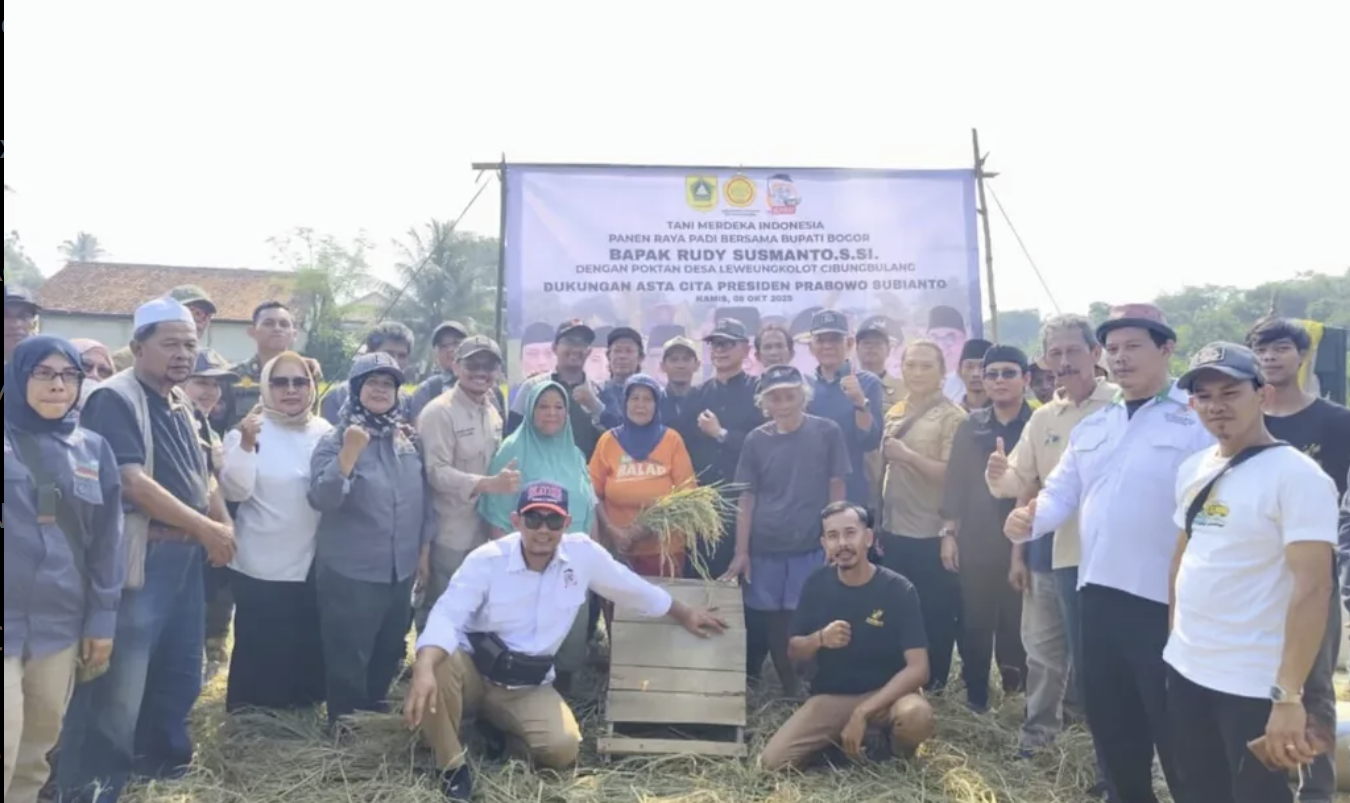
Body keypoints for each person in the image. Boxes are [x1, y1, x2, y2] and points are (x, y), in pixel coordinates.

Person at [1004, 303, 1212, 803]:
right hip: (1096, 593)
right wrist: (1030, 519)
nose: (1120, 358)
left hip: (1166, 600)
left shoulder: (1196, 418)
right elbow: (1061, 491)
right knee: (1113, 725)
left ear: (1166, 348)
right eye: (1113, 349)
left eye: (1133, 346)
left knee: (1178, 729)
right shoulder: (1096, 425)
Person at [404, 481, 728, 802]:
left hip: (526, 686)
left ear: (567, 523)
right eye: (533, 519)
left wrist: (684, 613)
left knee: (562, 748)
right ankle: (451, 767)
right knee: (438, 660)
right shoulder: (487, 559)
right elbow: (447, 614)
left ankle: (496, 733)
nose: (543, 530)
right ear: (517, 521)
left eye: (553, 520)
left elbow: (631, 588)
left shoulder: (582, 555)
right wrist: (424, 666)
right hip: (473, 674)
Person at [56, 298, 236, 803]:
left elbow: (205, 475)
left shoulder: (182, 403)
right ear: (137, 347)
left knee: (179, 672)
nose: (183, 354)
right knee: (118, 685)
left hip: (185, 559)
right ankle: (93, 787)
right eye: (170, 344)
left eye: (190, 345)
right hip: (141, 558)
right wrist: (207, 528)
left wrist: (222, 524)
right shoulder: (114, 398)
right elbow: (131, 482)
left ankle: (160, 769)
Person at [1165, 342, 1338, 802]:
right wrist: (1174, 641)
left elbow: (1314, 589)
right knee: (1198, 790)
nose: (1216, 406)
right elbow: (1183, 556)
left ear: (1262, 395)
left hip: (1254, 683)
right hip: (1188, 670)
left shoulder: (1297, 476)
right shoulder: (1193, 468)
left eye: (1230, 392)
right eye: (1204, 396)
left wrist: (1288, 697)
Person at [985, 314, 1117, 791]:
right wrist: (998, 473)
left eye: (1073, 351)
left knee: (1099, 663)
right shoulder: (1044, 418)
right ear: (1043, 360)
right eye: (1054, 353)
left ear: (1095, 354)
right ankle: (1037, 739)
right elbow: (1018, 482)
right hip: (1049, 552)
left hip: (1107, 560)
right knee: (1042, 654)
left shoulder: (1122, 407)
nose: (1064, 362)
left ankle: (1111, 760)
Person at [4, 337, 125, 803]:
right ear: (18, 377)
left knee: (36, 749)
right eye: (43, 373)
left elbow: (108, 543)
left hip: (60, 626)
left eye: (68, 375)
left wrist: (102, 620)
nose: (57, 385)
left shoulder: (92, 448)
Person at [1249, 317, 1350, 803]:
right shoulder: (1246, 420)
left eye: (1281, 348)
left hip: (1311, 573)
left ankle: (1317, 790)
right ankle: (1265, 783)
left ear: (1302, 355)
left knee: (1314, 686)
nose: (1270, 358)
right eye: (1261, 350)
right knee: (1254, 682)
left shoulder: (1336, 421)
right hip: (1253, 573)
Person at [308, 352, 435, 728]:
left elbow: (423, 500)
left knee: (388, 649)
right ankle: (345, 730)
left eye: (388, 384)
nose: (380, 390)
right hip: (352, 573)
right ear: (355, 389)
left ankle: (374, 722)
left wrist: (423, 552)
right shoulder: (335, 440)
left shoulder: (407, 439)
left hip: (400, 570)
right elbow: (323, 499)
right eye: (372, 383)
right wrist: (349, 454)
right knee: (349, 656)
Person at [760, 502, 935, 770]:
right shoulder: (816, 584)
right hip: (832, 699)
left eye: (850, 533)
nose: (842, 543)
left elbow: (919, 669)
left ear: (868, 538)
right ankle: (847, 745)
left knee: (917, 716)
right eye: (833, 536)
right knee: (772, 763)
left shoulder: (899, 590)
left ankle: (894, 756)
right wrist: (819, 639)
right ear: (824, 544)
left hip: (887, 697)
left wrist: (862, 712)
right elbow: (794, 650)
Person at [218, 352, 331, 712]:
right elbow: (235, 491)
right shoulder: (249, 430)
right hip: (262, 561)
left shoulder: (325, 431)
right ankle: (252, 719)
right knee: (262, 644)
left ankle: (301, 711)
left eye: (300, 382)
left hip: (313, 558)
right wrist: (246, 445)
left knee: (304, 640)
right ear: (266, 387)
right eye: (280, 382)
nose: (291, 390)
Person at [726, 365, 849, 695]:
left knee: (808, 615)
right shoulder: (756, 440)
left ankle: (814, 683)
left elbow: (837, 486)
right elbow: (747, 497)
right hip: (766, 544)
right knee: (775, 619)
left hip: (810, 543)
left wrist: (834, 539)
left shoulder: (827, 432)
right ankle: (790, 687)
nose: (783, 404)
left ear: (803, 397)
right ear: (764, 403)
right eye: (775, 398)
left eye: (790, 396)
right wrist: (741, 551)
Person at [480, 379, 598, 691]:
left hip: (571, 562)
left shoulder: (574, 453)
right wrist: (510, 569)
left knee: (570, 630)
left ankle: (563, 698)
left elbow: (588, 507)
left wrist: (593, 555)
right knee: (529, 636)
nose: (551, 413)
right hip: (529, 562)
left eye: (559, 407)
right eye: (543, 406)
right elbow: (497, 514)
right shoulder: (513, 450)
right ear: (531, 410)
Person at [940, 345, 1032, 712]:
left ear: (1026, 378)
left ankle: (1016, 699)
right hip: (976, 540)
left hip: (1026, 542)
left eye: (1008, 373)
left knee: (1017, 626)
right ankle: (977, 699)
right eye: (992, 374)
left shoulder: (1039, 423)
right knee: (976, 623)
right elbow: (955, 483)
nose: (998, 381)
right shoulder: (971, 425)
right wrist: (949, 534)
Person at [878, 339, 968, 692]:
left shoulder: (953, 417)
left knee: (935, 614)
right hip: (895, 530)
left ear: (942, 372)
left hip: (931, 532)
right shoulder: (895, 411)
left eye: (926, 366)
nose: (916, 372)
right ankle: (902, 682)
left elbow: (953, 477)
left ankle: (935, 686)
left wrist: (907, 456)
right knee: (899, 612)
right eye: (911, 365)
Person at [417, 336, 520, 631]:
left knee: (474, 610)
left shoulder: (492, 410)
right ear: (456, 366)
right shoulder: (439, 412)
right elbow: (435, 472)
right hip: (449, 532)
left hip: (484, 531)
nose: (481, 372)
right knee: (441, 608)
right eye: (473, 364)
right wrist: (488, 484)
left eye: (489, 366)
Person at [680, 318, 766, 582]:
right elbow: (685, 448)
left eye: (727, 344)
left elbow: (766, 444)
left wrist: (721, 434)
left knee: (747, 582)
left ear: (746, 349)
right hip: (704, 506)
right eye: (715, 344)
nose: (720, 350)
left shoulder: (759, 391)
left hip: (747, 503)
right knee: (701, 579)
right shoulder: (697, 394)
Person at [590, 375, 697, 577]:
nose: (641, 405)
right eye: (635, 398)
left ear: (657, 405)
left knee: (663, 598)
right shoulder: (608, 441)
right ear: (625, 402)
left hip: (665, 552)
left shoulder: (672, 440)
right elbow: (592, 493)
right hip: (618, 550)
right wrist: (612, 530)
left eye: (648, 399)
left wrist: (649, 526)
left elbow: (687, 494)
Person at [181, 351, 238, 678]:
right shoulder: (174, 421)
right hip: (172, 543)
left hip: (203, 545)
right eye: (201, 382)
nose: (210, 391)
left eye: (216, 385)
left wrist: (225, 525)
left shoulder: (208, 429)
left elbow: (211, 482)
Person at [805, 309, 885, 510]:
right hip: (808, 491)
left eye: (834, 339)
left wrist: (859, 401)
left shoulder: (868, 383)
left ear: (849, 344)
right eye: (821, 340)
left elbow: (870, 441)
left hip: (853, 490)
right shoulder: (803, 386)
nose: (827, 346)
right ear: (811, 347)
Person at [507, 320, 615, 459]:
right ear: (555, 348)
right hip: (541, 468)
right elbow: (512, 434)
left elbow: (616, 437)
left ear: (588, 351)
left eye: (581, 344)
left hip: (586, 470)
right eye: (569, 342)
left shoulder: (600, 391)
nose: (575, 349)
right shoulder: (532, 387)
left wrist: (594, 405)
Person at [320, 322, 416, 425]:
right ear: (369, 354)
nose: (395, 361)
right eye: (388, 354)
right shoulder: (338, 397)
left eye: (402, 356)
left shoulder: (407, 403)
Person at [225, 301, 300, 430]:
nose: (277, 328)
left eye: (284, 324)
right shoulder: (233, 377)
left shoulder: (303, 378)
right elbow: (215, 433)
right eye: (269, 323)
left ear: (294, 334)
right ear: (252, 332)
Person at [598, 326, 645, 419]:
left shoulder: (652, 393)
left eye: (629, 351)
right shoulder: (598, 393)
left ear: (640, 358)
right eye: (617, 351)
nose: (622, 356)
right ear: (608, 356)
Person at [925, 305, 969, 402]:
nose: (942, 346)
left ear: (964, 339)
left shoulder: (973, 385)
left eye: (950, 338)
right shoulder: (914, 383)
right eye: (934, 337)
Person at [658, 335, 701, 425]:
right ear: (663, 366)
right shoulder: (655, 401)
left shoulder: (705, 400)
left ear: (697, 365)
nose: (680, 365)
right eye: (674, 360)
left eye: (686, 359)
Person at [4, 286, 41, 369]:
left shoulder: (49, 366)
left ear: (34, 323)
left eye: (24, 316)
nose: (15, 324)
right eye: (5, 316)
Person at [954, 338, 992, 411]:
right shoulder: (951, 413)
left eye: (982, 367)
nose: (976, 374)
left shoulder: (1005, 411)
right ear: (959, 371)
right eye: (969, 367)